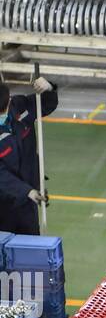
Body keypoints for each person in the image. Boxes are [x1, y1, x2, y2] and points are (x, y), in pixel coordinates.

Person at [0, 76, 57, 235]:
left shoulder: (19, 107)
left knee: (31, 248)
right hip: (4, 205)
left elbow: (46, 104)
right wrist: (27, 191)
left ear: (8, 102)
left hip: (28, 202)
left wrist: (49, 88)